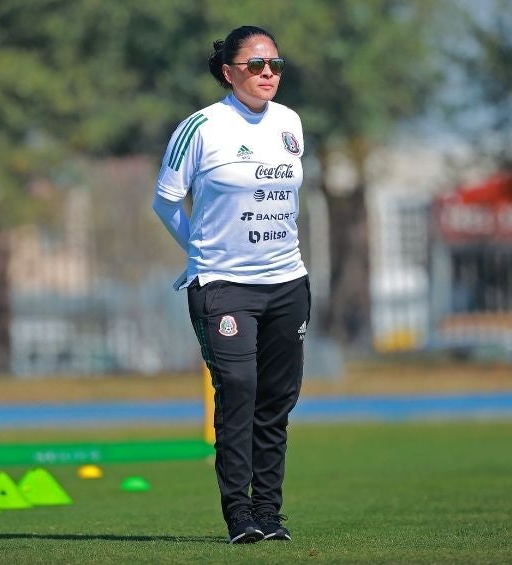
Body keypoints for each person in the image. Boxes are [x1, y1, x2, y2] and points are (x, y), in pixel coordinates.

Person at [152, 25, 310, 544]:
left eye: (275, 65)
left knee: (277, 400)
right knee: (239, 389)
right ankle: (238, 514)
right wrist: (195, 252)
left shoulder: (290, 123)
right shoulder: (200, 128)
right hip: (223, 284)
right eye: (256, 65)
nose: (268, 74)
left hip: (287, 282)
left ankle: (269, 512)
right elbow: (166, 201)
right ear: (229, 71)